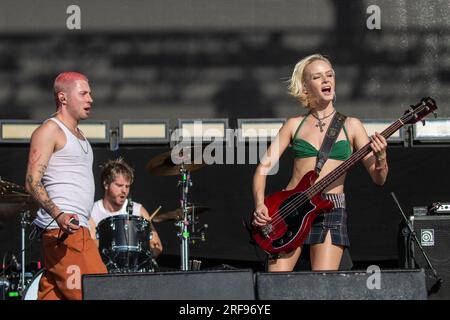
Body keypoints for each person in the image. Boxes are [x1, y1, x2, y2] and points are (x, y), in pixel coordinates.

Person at [252, 54, 388, 272]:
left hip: (330, 207)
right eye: (318, 77)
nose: (326, 80)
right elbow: (262, 169)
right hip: (290, 207)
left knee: (322, 285)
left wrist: (381, 157)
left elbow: (378, 178)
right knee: (275, 284)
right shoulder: (294, 124)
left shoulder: (352, 125)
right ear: (305, 87)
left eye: (330, 75)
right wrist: (260, 204)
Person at [25, 72, 107, 300]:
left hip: (73, 231)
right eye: (83, 93)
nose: (90, 99)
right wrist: (59, 215)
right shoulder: (50, 130)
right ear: (63, 97)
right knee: (99, 293)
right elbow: (32, 182)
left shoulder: (80, 136)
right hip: (65, 233)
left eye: (90, 93)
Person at [88, 158, 163, 262]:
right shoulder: (92, 212)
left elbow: (157, 246)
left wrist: (143, 256)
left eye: (127, 186)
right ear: (106, 184)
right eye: (119, 185)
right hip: (104, 270)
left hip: (135, 270)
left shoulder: (138, 210)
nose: (124, 190)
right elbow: (90, 244)